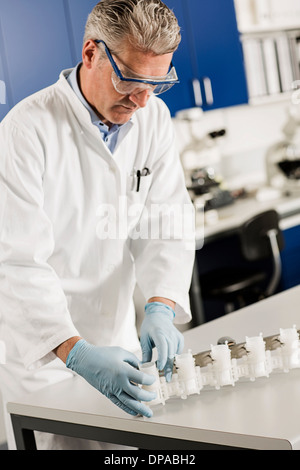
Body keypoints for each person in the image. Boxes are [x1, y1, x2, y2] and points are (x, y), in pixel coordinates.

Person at [0, 0, 195, 450]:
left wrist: (161, 307)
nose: (142, 99)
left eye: (157, 83)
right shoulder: (25, 131)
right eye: (130, 79)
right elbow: (17, 263)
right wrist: (75, 351)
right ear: (91, 53)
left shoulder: (153, 119)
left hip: (118, 340)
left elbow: (167, 220)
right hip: (44, 357)